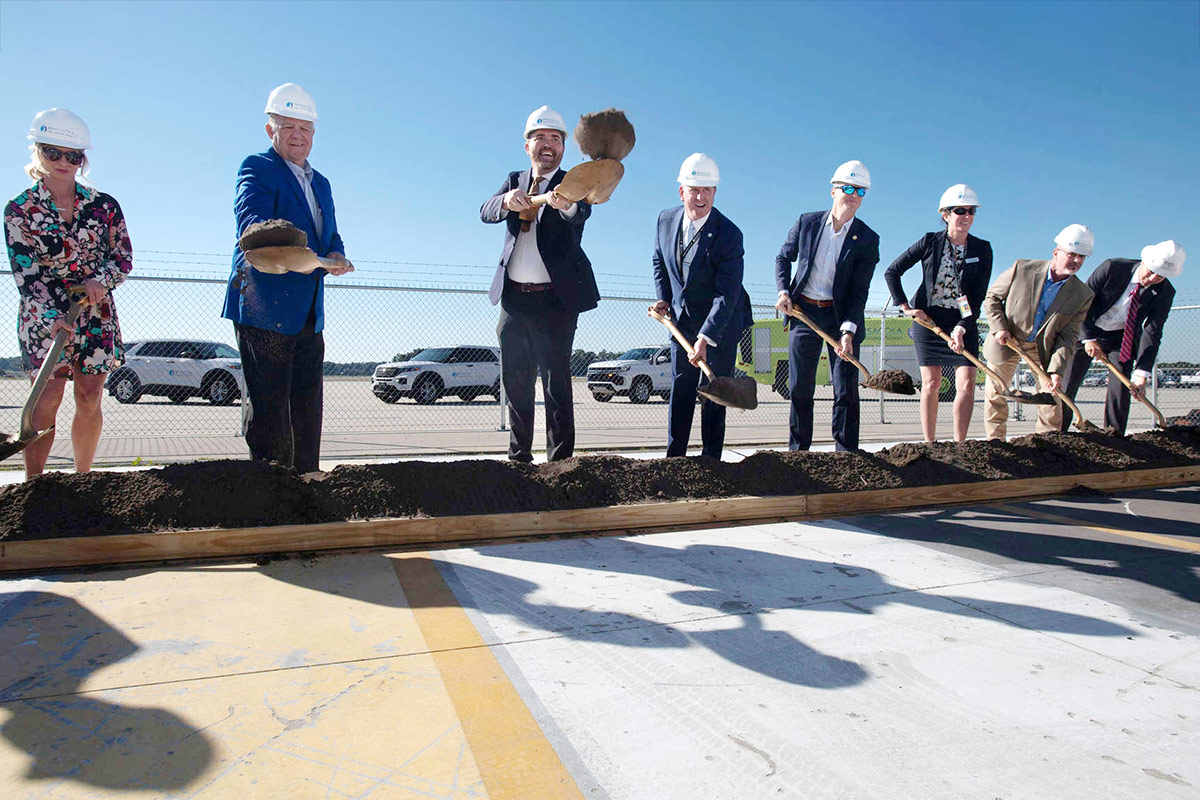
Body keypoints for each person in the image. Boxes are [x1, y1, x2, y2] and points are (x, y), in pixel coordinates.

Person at [221, 83, 352, 474]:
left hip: (309, 310)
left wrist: (335, 255)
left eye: (305, 128)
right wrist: (284, 245)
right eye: (288, 126)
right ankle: (269, 491)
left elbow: (330, 235)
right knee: (270, 411)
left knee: (306, 409)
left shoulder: (321, 183)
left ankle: (306, 485)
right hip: (264, 304)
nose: (298, 135)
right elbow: (252, 223)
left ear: (314, 133)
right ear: (270, 130)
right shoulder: (258, 167)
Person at [4, 109, 132, 479]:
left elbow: (122, 257)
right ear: (37, 152)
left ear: (83, 160)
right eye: (53, 152)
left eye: (73, 156)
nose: (63, 162)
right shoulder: (19, 210)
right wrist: (51, 316)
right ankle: (35, 486)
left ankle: (82, 480)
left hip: (94, 311)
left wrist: (99, 280)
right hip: (44, 315)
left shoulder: (104, 206)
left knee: (90, 397)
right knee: (47, 398)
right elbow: (26, 273)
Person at [481, 105, 599, 463]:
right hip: (514, 300)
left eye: (555, 139)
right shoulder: (514, 179)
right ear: (527, 145)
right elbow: (486, 211)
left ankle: (560, 464)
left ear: (562, 147)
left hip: (555, 302)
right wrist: (506, 201)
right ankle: (519, 459)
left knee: (555, 384)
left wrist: (566, 205)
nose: (548, 145)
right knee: (516, 384)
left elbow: (582, 213)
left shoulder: (573, 181)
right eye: (540, 138)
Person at [650, 154, 753, 459]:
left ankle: (711, 461)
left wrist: (706, 337)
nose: (700, 197)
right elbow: (659, 260)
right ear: (681, 191)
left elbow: (727, 293)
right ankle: (675, 458)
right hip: (681, 320)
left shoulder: (729, 234)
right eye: (694, 190)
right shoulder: (665, 220)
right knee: (681, 386)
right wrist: (664, 298)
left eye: (707, 190)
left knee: (714, 391)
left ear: (715, 192)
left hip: (720, 322)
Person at [774, 160, 880, 451]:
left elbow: (859, 291)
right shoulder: (807, 223)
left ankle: (846, 453)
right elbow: (783, 258)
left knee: (845, 389)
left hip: (839, 316)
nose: (853, 195)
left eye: (860, 191)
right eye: (848, 188)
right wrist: (784, 292)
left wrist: (847, 332)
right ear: (833, 190)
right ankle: (799, 452)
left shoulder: (867, 239)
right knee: (800, 387)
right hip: (804, 312)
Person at [884, 184, 993, 442]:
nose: (967, 216)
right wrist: (906, 307)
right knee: (931, 383)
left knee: (966, 383)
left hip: (963, 320)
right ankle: (930, 444)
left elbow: (977, 296)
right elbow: (892, 272)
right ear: (945, 214)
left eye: (971, 211)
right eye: (960, 211)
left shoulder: (982, 249)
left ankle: (959, 444)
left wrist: (962, 327)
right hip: (928, 320)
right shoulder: (930, 242)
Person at [981, 224, 1095, 439]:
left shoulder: (1082, 294)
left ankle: (1047, 443)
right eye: (1071, 254)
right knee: (995, 392)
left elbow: (1068, 336)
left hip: (1041, 348)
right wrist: (999, 328)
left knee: (1052, 396)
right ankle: (996, 442)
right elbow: (992, 298)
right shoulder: (1022, 269)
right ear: (1056, 252)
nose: (1076, 261)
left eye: (1081, 257)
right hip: (1008, 339)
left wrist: (1057, 370)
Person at [1060, 240, 1184, 434]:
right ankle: (1058, 432)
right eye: (1151, 271)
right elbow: (1082, 303)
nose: (1152, 278)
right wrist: (1089, 338)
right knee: (1068, 383)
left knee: (1121, 388)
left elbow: (1153, 331)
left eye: (1160, 276)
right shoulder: (1113, 268)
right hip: (1086, 329)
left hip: (1121, 339)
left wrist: (1142, 374)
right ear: (1144, 261)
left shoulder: (1165, 292)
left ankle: (1114, 435)